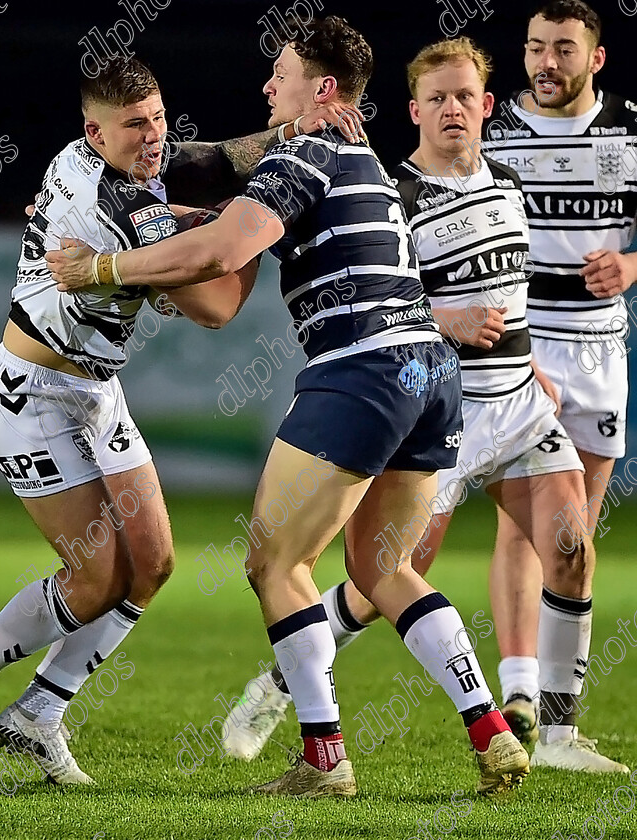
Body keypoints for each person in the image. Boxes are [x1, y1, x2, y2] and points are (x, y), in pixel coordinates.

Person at [49, 16, 529, 798]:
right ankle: (491, 730)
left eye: (281, 74)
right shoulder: (360, 154)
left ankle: (323, 760)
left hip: (361, 372)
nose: (268, 88)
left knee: (274, 563)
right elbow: (225, 251)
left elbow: (225, 252)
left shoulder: (307, 147)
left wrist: (104, 265)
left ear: (324, 89)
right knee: (383, 568)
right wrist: (177, 229)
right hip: (430, 375)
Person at [0, 55, 347, 785]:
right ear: (95, 132)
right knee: (97, 575)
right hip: (32, 393)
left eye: (158, 117)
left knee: (154, 563)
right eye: (135, 125)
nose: (153, 137)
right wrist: (249, 234)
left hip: (95, 390)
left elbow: (205, 160)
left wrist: (289, 134)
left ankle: (39, 714)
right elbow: (218, 309)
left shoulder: (91, 159)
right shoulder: (119, 203)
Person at [219, 34, 630, 777]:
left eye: (464, 96)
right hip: (437, 398)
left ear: (487, 106)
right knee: (388, 572)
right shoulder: (392, 187)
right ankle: (280, 683)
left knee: (571, 548)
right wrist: (452, 322)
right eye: (436, 97)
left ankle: (560, 737)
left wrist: (530, 357)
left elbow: (508, 286)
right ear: (412, 109)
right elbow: (386, 293)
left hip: (517, 403)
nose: (451, 109)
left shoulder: (507, 183)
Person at [482, 0, 637, 770]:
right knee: (525, 527)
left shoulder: (629, 129)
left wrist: (634, 265)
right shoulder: (494, 130)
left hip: (602, 347)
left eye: (563, 50)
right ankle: (518, 694)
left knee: (575, 541)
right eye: (537, 48)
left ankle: (558, 726)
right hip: (525, 344)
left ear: (595, 60)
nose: (546, 63)